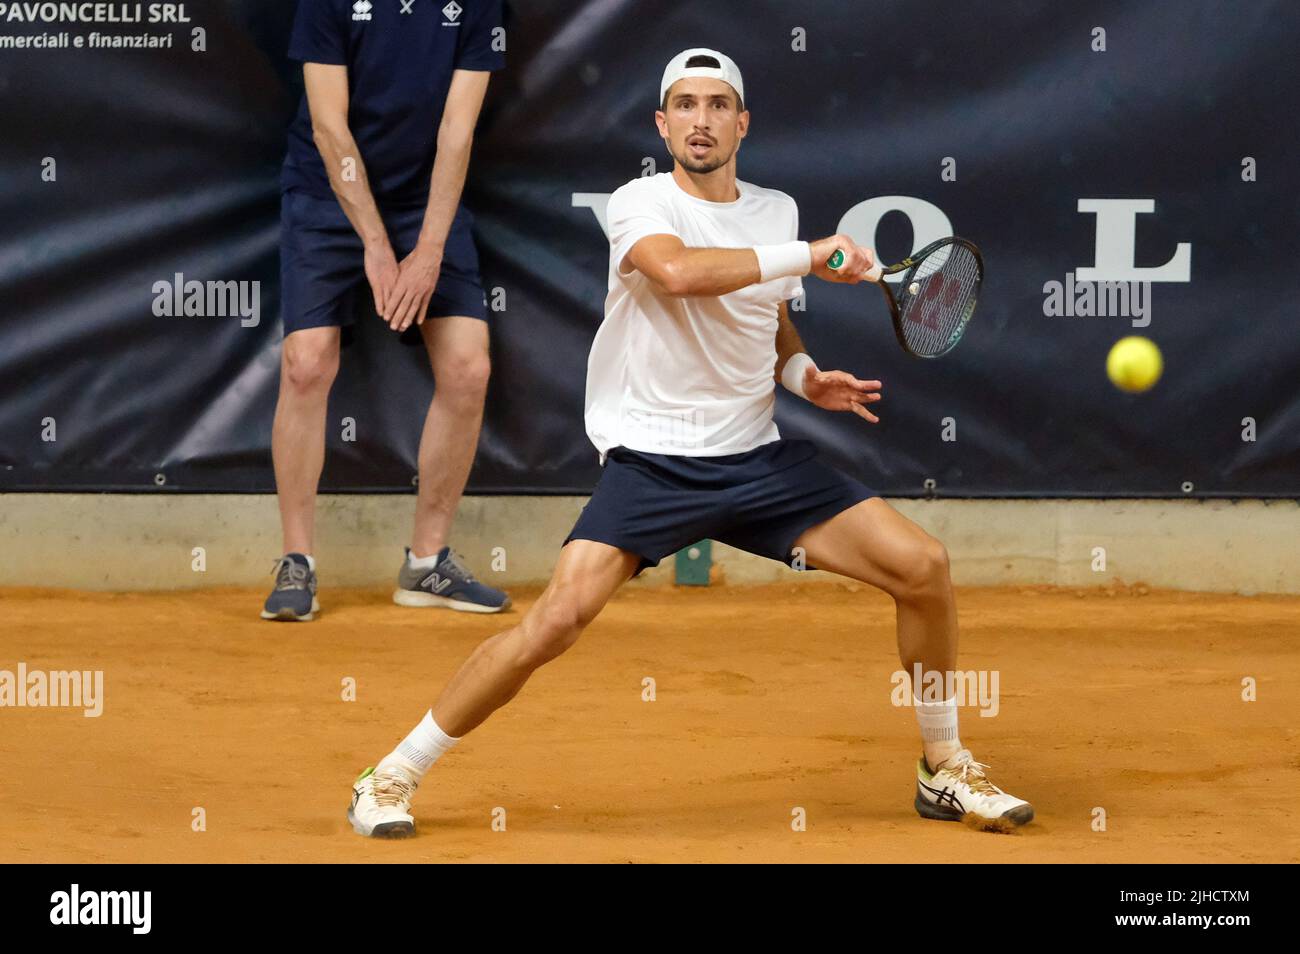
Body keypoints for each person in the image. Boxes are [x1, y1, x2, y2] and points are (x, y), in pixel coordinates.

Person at [347, 48, 1033, 836]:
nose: (700, 120)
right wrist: (809, 254)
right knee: (556, 621)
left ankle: (943, 767)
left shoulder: (774, 211)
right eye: (684, 105)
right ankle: (392, 773)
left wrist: (806, 376)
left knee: (923, 567)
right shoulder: (640, 202)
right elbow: (678, 274)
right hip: (654, 461)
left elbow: (767, 315)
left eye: (716, 106)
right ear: (661, 123)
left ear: (741, 122)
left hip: (757, 458)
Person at [263, 0, 510, 621]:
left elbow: (458, 130)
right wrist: (374, 243)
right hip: (326, 193)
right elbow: (329, 128)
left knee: (468, 369)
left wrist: (427, 250)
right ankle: (297, 562)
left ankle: (426, 565)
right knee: (306, 363)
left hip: (427, 203)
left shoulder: (479, 5)